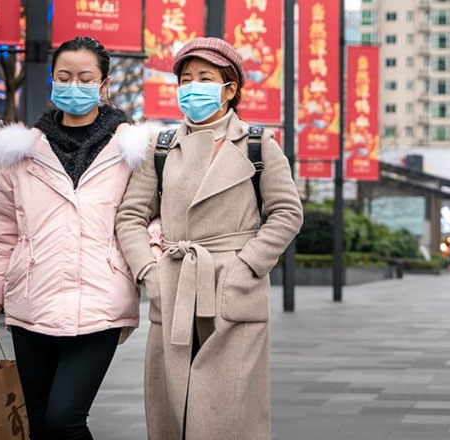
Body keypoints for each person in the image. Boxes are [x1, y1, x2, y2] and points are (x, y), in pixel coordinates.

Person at [115, 37, 303, 439]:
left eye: (205, 77)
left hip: (234, 286)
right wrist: (150, 272)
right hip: (176, 285)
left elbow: (287, 213)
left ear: (230, 88)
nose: (192, 87)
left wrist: (247, 265)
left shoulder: (258, 143)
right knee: (173, 404)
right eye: (186, 79)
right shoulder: (160, 145)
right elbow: (130, 215)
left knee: (229, 408)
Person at [0, 36, 153, 438]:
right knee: (37, 418)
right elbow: (1, 234)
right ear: (52, 80)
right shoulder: (21, 153)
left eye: (85, 78)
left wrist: (148, 270)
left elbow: (151, 219)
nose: (74, 86)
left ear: (104, 84)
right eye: (64, 77)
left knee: (65, 418)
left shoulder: (132, 153)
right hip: (30, 300)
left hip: (100, 301)